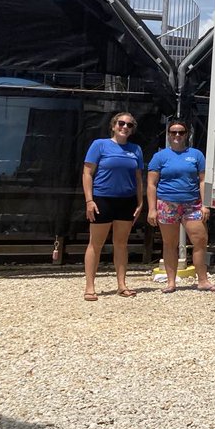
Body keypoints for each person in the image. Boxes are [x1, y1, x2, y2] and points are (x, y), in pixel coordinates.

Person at [147, 118, 215, 293]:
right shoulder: (160, 157)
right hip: (167, 204)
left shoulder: (196, 155)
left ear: (187, 134)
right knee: (169, 243)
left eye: (181, 132)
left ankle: (202, 280)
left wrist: (205, 205)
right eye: (174, 132)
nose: (177, 135)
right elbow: (151, 184)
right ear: (168, 134)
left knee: (200, 241)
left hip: (192, 204)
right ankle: (171, 283)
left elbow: (203, 181)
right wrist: (152, 209)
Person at [82, 111, 146, 300]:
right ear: (113, 125)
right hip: (103, 199)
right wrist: (89, 200)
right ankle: (90, 287)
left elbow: (138, 177)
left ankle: (122, 285)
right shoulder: (99, 145)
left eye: (129, 125)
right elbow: (87, 173)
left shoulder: (136, 150)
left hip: (126, 201)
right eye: (121, 123)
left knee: (121, 244)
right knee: (96, 243)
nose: (124, 127)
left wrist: (140, 201)